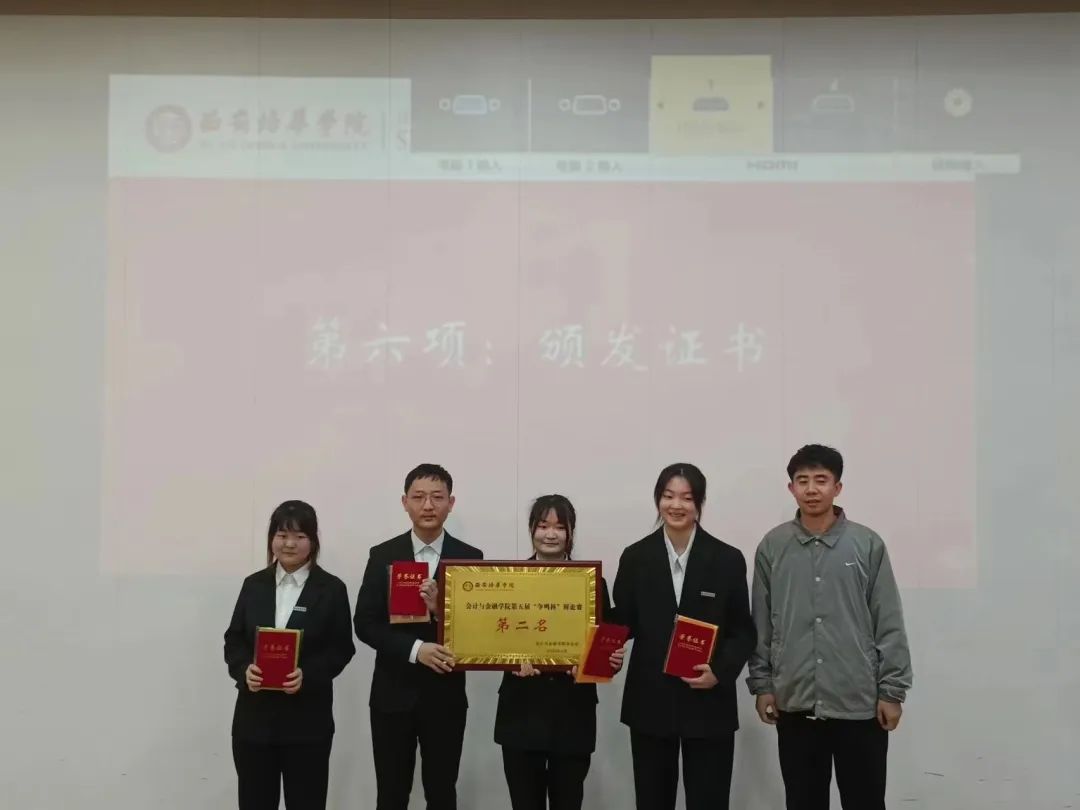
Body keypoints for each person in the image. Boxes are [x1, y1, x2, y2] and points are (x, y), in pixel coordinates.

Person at [746, 444, 913, 810]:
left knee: (865, 800)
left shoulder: (866, 544)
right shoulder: (773, 547)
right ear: (791, 488)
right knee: (803, 801)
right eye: (802, 480)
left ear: (837, 487)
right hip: (795, 701)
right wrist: (763, 685)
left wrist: (892, 691)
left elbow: (888, 621)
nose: (811, 489)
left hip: (859, 702)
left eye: (821, 480)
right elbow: (761, 624)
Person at [612, 463, 756, 810]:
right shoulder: (635, 557)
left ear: (699, 503)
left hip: (709, 703)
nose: (676, 505)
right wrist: (600, 635)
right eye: (668, 496)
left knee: (709, 800)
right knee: (652, 800)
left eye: (687, 498)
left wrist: (720, 671)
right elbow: (623, 622)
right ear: (658, 500)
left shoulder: (727, 559)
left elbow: (742, 630)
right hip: (650, 702)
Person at [353, 464, 484, 810]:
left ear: (451, 503)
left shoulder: (470, 558)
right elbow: (365, 623)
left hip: (445, 697)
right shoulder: (382, 555)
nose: (428, 505)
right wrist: (416, 650)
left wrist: (440, 611)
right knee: (391, 794)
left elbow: (479, 629)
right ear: (405, 502)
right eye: (419, 497)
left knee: (442, 792)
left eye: (437, 497)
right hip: (392, 695)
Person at [494, 494, 626, 810]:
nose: (550, 534)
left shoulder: (593, 583)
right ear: (531, 529)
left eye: (559, 527)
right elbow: (491, 639)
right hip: (521, 713)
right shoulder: (508, 580)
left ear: (570, 532)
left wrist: (610, 662)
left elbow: (604, 649)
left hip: (572, 715)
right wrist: (509, 660)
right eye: (543, 526)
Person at [223, 500, 356, 810]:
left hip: (307, 723)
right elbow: (234, 639)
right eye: (282, 535)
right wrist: (243, 669)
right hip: (254, 721)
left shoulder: (331, 589)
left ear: (313, 541)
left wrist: (307, 675)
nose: (290, 544)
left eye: (300, 536)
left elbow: (341, 648)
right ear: (272, 539)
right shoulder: (253, 585)